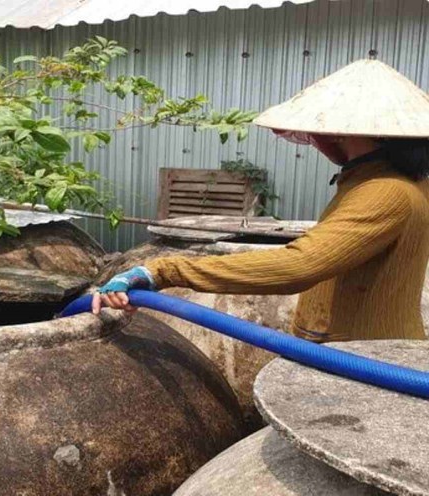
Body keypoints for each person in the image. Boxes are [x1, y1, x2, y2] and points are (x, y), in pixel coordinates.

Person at [93, 59, 429, 342]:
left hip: (367, 361)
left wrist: (163, 270)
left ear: (342, 131)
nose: (314, 140)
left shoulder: (385, 191)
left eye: (318, 131)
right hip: (364, 349)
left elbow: (298, 265)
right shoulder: (398, 180)